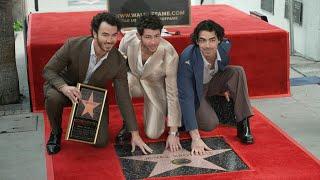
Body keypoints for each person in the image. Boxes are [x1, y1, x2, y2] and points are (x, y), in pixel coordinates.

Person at [43, 12, 148, 155]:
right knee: (53, 97)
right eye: (105, 35)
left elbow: (123, 96)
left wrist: (135, 134)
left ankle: (80, 122)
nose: (110, 40)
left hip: (93, 96)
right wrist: (64, 87)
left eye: (114, 35)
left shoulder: (118, 61)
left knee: (101, 142)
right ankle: (56, 132)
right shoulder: (73, 45)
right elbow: (48, 70)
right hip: (66, 88)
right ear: (94, 33)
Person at [177, 19, 254, 155]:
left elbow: (220, 69)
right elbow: (186, 96)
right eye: (202, 40)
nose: (207, 45)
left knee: (237, 71)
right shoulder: (187, 58)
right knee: (210, 124)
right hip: (195, 92)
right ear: (196, 41)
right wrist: (195, 137)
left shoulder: (224, 48)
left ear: (219, 40)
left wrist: (223, 88)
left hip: (210, 84)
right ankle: (187, 118)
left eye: (212, 40)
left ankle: (243, 124)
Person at [117, 15, 182, 152]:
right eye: (148, 37)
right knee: (123, 82)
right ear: (138, 35)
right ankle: (127, 124)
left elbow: (172, 91)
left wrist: (173, 132)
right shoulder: (128, 40)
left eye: (157, 36)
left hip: (156, 89)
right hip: (135, 82)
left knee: (153, 134)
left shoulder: (169, 53)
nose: (153, 42)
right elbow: (118, 65)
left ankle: (160, 115)